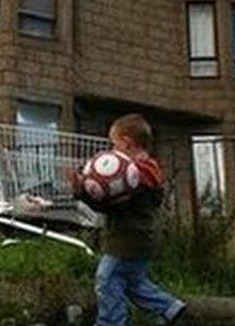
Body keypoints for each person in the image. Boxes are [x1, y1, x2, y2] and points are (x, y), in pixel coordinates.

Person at [69, 114, 187, 326]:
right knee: (133, 282)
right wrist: (82, 191)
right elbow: (110, 207)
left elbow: (110, 205)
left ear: (125, 142)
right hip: (141, 237)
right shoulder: (144, 172)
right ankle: (169, 307)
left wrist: (87, 190)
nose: (112, 150)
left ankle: (110, 322)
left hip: (127, 239)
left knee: (106, 279)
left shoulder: (132, 175)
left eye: (113, 144)